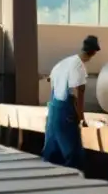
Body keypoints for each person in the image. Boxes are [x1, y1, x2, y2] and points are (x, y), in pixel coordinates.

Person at [42, 35, 99, 170]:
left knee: (51, 153)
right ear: (93, 52)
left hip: (53, 112)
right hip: (65, 115)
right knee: (74, 156)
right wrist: (81, 117)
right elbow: (79, 93)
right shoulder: (79, 67)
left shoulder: (63, 63)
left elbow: (49, 80)